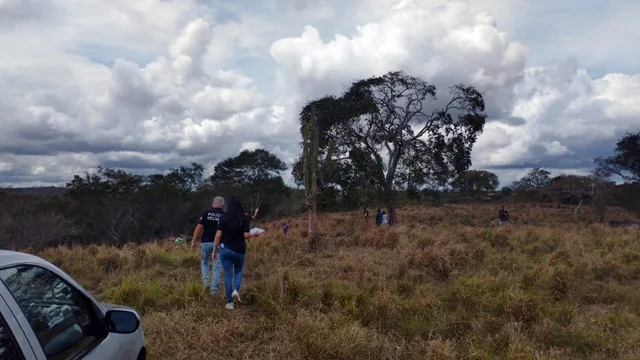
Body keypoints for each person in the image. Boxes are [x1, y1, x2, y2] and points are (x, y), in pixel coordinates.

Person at [212, 197, 263, 309]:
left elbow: (218, 236)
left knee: (228, 275)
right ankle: (236, 289)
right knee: (239, 271)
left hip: (225, 249)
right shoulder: (244, 218)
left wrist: (214, 250)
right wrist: (255, 234)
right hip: (240, 250)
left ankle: (229, 302)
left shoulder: (223, 218)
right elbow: (246, 235)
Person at [191, 196, 225, 295]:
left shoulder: (206, 213)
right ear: (222, 205)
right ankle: (214, 291)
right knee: (217, 266)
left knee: (204, 263)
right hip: (219, 243)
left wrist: (193, 240)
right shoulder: (224, 215)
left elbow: (199, 228)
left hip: (205, 243)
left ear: (212, 204)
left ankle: (206, 285)